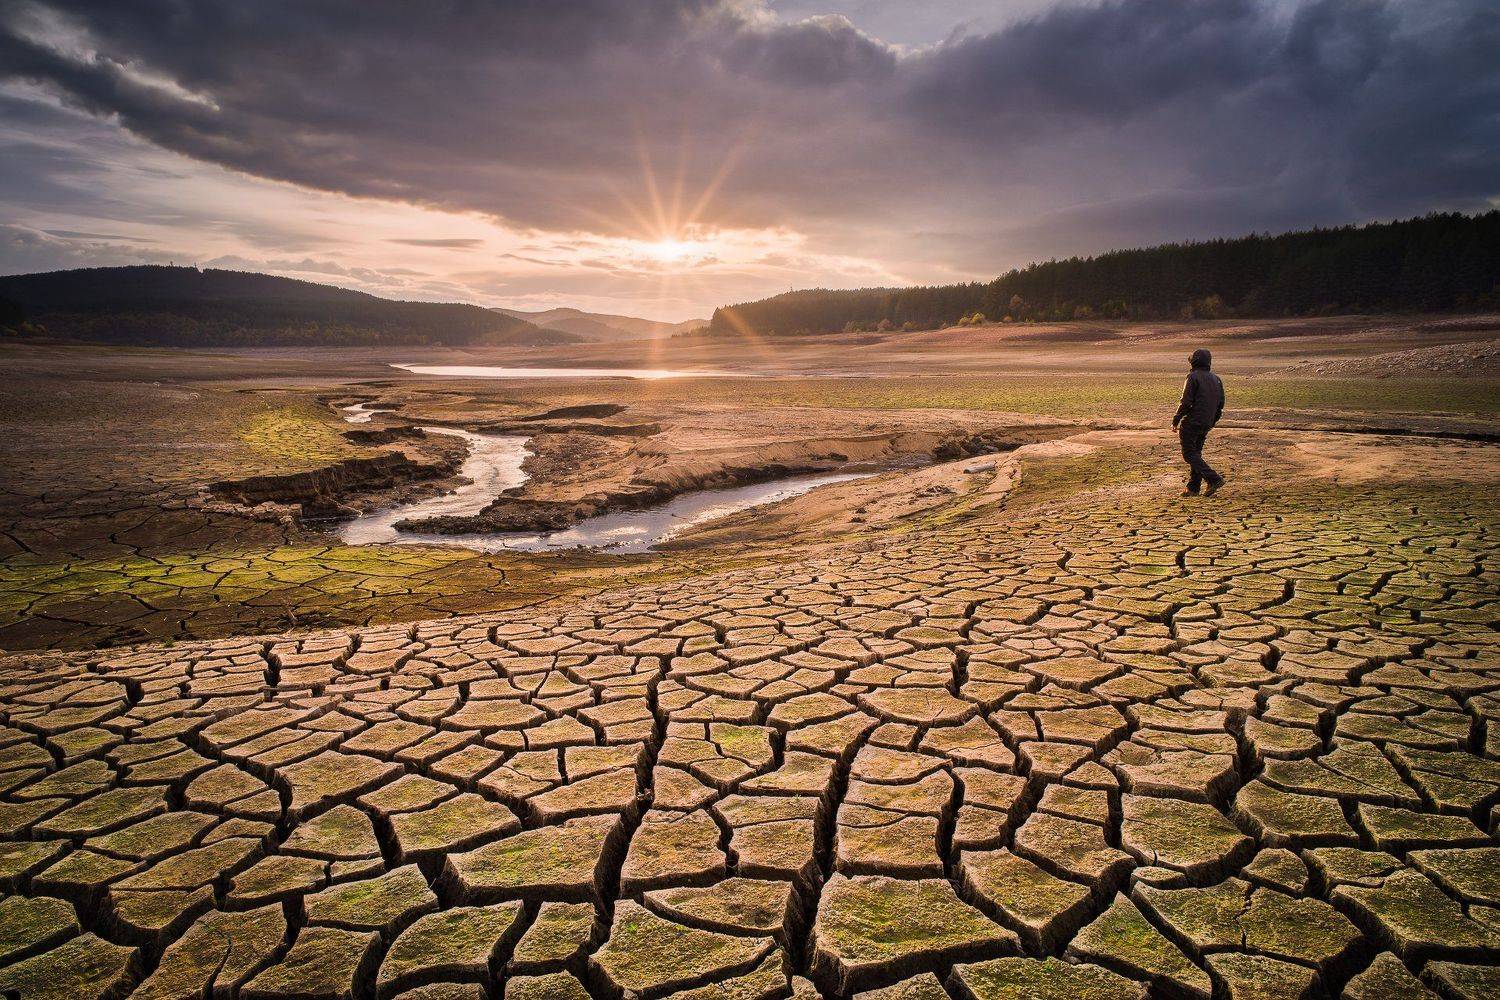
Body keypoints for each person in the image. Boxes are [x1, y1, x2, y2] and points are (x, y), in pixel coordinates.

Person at [1172, 348, 1225, 496]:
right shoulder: (1217, 379)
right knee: (1196, 454)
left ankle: (1213, 478)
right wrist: (1212, 421)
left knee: (1189, 454)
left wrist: (1176, 419)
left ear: (1194, 361)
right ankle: (1193, 487)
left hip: (1193, 422)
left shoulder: (1193, 377)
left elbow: (1186, 402)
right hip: (1206, 422)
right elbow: (1220, 404)